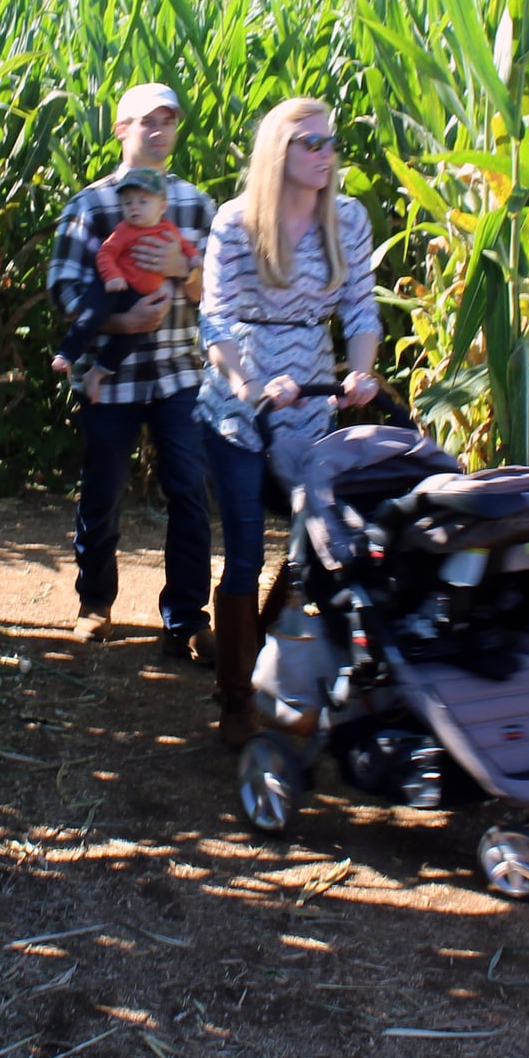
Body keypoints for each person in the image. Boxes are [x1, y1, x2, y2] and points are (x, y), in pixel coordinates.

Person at [195, 96, 380, 746]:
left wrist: (359, 373)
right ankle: (236, 696)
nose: (327, 154)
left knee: (313, 541)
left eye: (331, 142)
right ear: (279, 151)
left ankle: (275, 657)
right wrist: (247, 384)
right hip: (242, 398)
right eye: (312, 143)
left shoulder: (347, 220)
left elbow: (359, 309)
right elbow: (214, 319)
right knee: (245, 544)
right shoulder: (237, 223)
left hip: (313, 392)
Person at [47, 83, 216, 662]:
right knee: (102, 492)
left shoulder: (195, 205)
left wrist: (183, 269)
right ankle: (95, 604)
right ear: (121, 129)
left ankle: (188, 619)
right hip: (110, 374)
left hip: (178, 372)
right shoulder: (90, 207)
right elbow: (66, 288)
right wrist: (119, 325)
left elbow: (217, 293)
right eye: (148, 121)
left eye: (169, 121)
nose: (159, 131)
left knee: (190, 493)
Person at [53, 167, 202, 403]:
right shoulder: (123, 231)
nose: (134, 208)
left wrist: (192, 260)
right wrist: (112, 276)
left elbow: (185, 247)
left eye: (142, 202)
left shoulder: (168, 229)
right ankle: (67, 353)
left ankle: (97, 374)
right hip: (112, 286)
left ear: (162, 207)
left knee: (130, 339)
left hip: (138, 295)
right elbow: (105, 254)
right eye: (127, 203)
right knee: (92, 313)